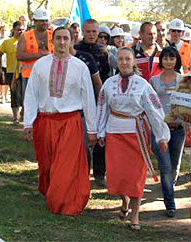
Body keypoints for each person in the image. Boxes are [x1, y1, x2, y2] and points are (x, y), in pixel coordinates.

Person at [23, 27, 97, 216]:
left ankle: (64, 204)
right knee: (47, 164)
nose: (62, 42)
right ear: (52, 41)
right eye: (58, 38)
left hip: (70, 122)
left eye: (66, 38)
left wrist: (92, 128)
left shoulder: (80, 67)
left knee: (66, 165)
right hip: (45, 121)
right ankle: (52, 194)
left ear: (72, 41)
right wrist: (28, 122)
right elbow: (31, 94)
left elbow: (88, 97)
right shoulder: (40, 64)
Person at [97, 46, 170, 229]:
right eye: (120, 59)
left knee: (136, 175)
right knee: (116, 174)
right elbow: (102, 108)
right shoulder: (108, 83)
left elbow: (155, 110)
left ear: (133, 61)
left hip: (137, 133)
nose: (124, 62)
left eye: (127, 59)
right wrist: (100, 132)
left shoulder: (143, 85)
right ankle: (124, 201)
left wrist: (162, 135)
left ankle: (135, 216)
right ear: (117, 62)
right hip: (114, 132)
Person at [75, 19, 111, 187]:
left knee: (99, 136)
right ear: (83, 31)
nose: (91, 35)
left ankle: (99, 173)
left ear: (98, 33)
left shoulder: (103, 52)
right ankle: (82, 170)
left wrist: (103, 102)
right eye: (88, 32)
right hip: (79, 99)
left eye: (94, 32)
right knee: (81, 136)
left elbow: (106, 78)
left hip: (98, 98)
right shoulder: (76, 49)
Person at [149, 46, 184, 218]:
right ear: (161, 60)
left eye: (172, 58)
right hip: (159, 129)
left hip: (178, 128)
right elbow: (149, 103)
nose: (168, 61)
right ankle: (170, 204)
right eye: (165, 58)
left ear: (177, 60)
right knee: (165, 166)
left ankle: (170, 184)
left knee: (174, 166)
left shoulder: (184, 80)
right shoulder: (154, 81)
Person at [16, 7, 53, 107]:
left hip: (50, 76)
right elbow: (19, 55)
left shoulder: (54, 35)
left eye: (46, 20)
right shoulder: (26, 36)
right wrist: (38, 55)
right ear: (35, 21)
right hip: (30, 76)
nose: (45, 23)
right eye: (42, 21)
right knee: (30, 105)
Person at [0, 21, 25, 125]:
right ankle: (15, 117)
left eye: (22, 29)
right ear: (14, 30)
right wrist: (0, 68)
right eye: (19, 30)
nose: (21, 32)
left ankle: (24, 113)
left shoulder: (26, 42)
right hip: (12, 72)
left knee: (25, 94)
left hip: (25, 71)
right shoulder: (8, 42)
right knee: (15, 94)